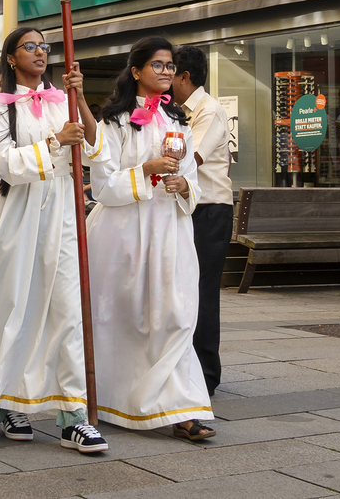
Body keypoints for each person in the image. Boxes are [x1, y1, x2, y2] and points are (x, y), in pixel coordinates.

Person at [0, 29, 107, 453]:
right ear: (12, 58)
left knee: (68, 310)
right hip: (19, 214)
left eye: (44, 46)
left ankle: (73, 415)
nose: (39, 52)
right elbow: (3, 164)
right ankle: (9, 401)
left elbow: (94, 150)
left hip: (63, 213)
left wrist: (80, 98)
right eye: (29, 46)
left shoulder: (63, 99)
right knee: (14, 308)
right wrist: (55, 142)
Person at [83, 36, 215, 441]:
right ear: (136, 70)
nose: (166, 71)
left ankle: (182, 408)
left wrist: (183, 185)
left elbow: (191, 179)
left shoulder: (179, 121)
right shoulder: (115, 122)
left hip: (170, 229)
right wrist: (146, 169)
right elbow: (102, 186)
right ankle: (119, 398)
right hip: (124, 233)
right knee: (127, 319)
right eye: (158, 64)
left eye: (170, 65)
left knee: (176, 314)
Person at [173, 45, 234, 396]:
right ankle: (188, 368)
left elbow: (190, 158)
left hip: (210, 209)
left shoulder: (208, 110)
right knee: (184, 289)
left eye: (170, 71)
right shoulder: (178, 111)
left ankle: (207, 375)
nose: (165, 79)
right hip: (190, 205)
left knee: (203, 291)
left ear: (185, 77)